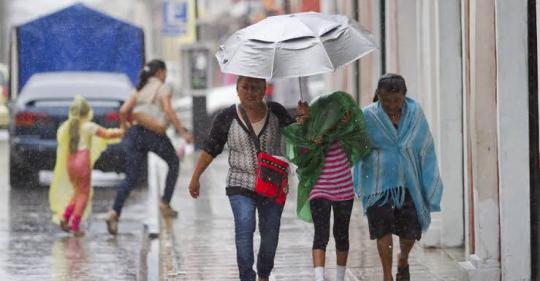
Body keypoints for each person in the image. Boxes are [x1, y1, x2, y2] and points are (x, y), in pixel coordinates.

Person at [188, 76, 295, 281]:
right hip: (240, 183)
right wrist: (195, 177)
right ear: (237, 89)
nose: (250, 92)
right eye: (245, 87)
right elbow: (211, 148)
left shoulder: (277, 112)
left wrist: (303, 120)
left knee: (270, 234)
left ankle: (264, 274)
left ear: (265, 89)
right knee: (245, 227)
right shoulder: (227, 117)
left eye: (255, 87)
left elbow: (299, 139)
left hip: (272, 185)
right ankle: (247, 277)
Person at [353, 74, 443, 281]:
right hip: (377, 183)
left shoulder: (415, 114)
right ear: (378, 96)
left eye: (396, 100)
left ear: (404, 96)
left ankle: (403, 259)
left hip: (408, 181)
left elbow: (425, 146)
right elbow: (356, 147)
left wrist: (428, 180)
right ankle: (387, 275)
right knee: (382, 229)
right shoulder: (367, 116)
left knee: (409, 231)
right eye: (386, 100)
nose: (391, 105)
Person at [282, 91, 371, 281]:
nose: (330, 120)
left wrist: (349, 123)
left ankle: (339, 277)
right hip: (319, 189)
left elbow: (362, 141)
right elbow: (299, 153)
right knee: (321, 234)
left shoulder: (346, 132)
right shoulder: (311, 132)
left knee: (341, 234)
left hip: (344, 190)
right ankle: (319, 277)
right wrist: (304, 123)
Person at [106, 59, 193, 235]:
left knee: (131, 177)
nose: (166, 75)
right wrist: (182, 131)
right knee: (174, 163)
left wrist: (125, 128)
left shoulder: (139, 89)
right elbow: (168, 111)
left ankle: (114, 212)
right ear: (160, 72)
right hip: (155, 135)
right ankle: (165, 203)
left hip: (136, 134)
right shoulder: (162, 87)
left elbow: (123, 111)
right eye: (165, 72)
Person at [49, 95, 124, 236]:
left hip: (70, 161)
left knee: (77, 192)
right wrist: (123, 131)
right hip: (83, 162)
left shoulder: (68, 127)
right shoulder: (89, 126)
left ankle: (65, 218)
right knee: (84, 193)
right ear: (87, 112)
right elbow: (107, 134)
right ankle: (75, 225)